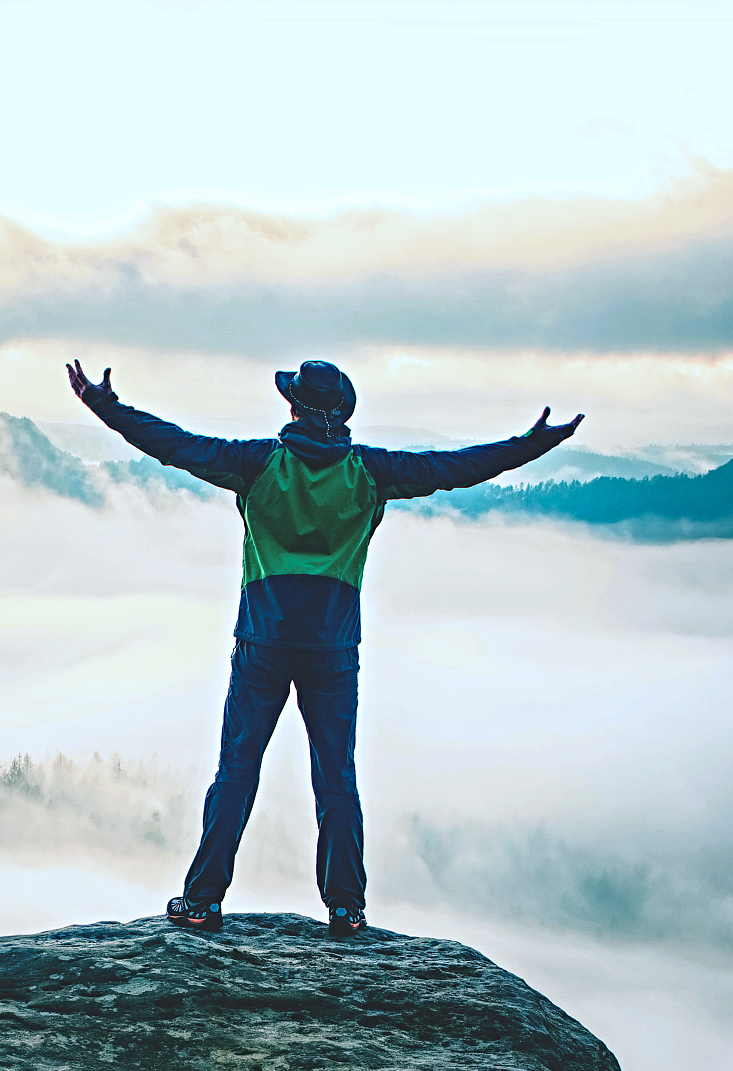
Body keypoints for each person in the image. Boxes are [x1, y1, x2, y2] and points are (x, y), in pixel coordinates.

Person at [66, 357, 583, 937]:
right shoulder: (371, 472)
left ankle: (203, 900)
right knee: (336, 778)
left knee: (236, 772)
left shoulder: (258, 463)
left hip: (262, 643)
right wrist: (532, 444)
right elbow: (457, 468)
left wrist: (105, 406)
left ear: (293, 407)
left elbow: (175, 446)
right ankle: (345, 908)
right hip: (333, 650)